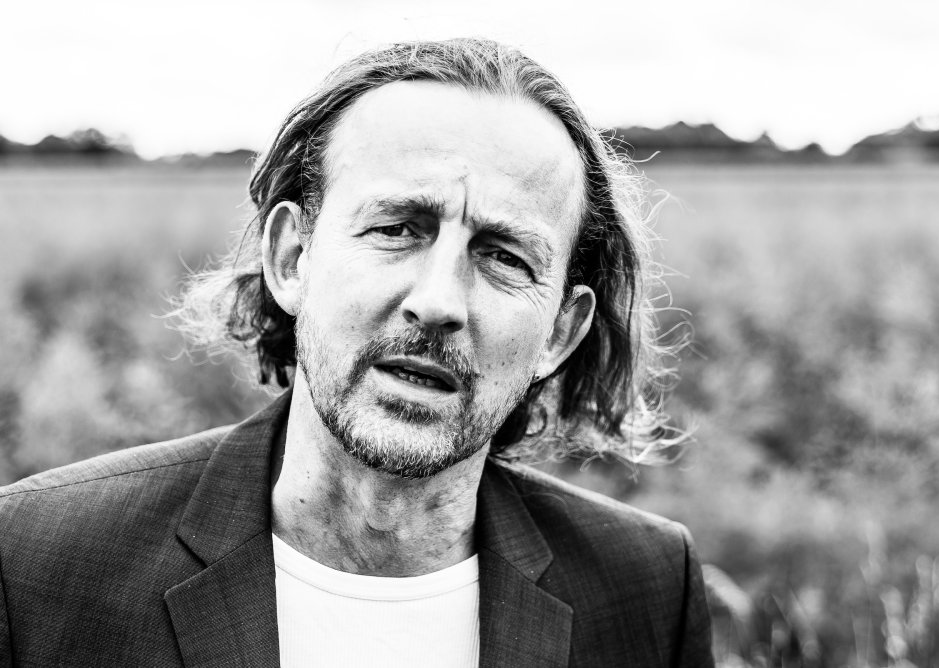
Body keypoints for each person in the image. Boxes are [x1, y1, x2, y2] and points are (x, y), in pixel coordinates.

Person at [0, 38, 713, 666]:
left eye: (504, 257)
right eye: (397, 228)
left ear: (560, 331)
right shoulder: (37, 560)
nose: (438, 301)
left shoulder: (647, 589)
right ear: (292, 258)